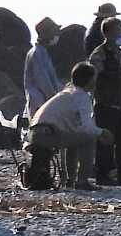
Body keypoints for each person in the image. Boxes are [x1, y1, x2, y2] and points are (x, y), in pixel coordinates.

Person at [32, 63, 106, 192]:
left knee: (74, 139)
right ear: (88, 80)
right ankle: (82, 180)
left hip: (35, 132)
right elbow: (87, 128)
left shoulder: (67, 92)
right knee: (88, 137)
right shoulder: (82, 96)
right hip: (47, 134)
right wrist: (103, 132)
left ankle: (70, 180)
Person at [88, 15, 121, 185]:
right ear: (108, 33)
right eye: (119, 30)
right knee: (105, 142)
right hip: (106, 104)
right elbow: (96, 78)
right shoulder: (99, 54)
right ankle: (103, 175)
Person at [24, 32, 62, 123]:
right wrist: (54, 97)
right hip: (39, 99)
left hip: (41, 98)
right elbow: (43, 80)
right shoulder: (37, 53)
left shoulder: (42, 52)